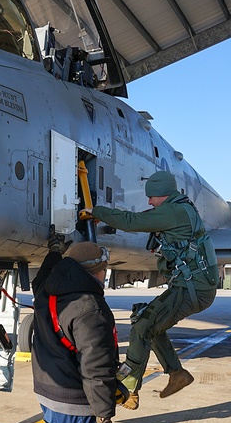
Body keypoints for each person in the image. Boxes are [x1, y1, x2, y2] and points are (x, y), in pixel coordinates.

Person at [82, 170, 218, 408]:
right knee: (150, 325)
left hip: (192, 289)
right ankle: (177, 374)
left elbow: (133, 222)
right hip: (191, 286)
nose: (149, 202)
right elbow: (142, 216)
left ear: (162, 195)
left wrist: (98, 212)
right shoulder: (178, 208)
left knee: (143, 324)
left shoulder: (174, 212)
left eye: (152, 197)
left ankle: (127, 387)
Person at [31, 238, 123, 423]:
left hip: (47, 394)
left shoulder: (46, 291)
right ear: (99, 271)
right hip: (74, 403)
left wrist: (54, 252)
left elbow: (41, 276)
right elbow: (96, 367)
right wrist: (104, 414)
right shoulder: (90, 308)